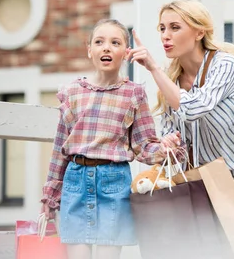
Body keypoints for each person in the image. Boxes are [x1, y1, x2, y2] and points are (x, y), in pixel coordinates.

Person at [128, 0, 234, 239]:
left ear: (199, 32)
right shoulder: (172, 80)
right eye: (162, 28)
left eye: (175, 27)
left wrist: (153, 68)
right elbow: (169, 126)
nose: (165, 35)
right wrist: (169, 140)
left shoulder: (224, 64)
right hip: (212, 180)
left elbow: (195, 107)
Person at [41, 19, 180, 259]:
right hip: (75, 183)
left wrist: (165, 149)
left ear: (126, 53)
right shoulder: (72, 92)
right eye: (99, 42)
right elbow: (60, 150)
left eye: (115, 43)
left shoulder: (134, 94)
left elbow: (144, 145)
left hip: (113, 184)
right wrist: (50, 194)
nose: (106, 48)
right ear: (89, 50)